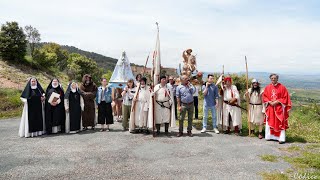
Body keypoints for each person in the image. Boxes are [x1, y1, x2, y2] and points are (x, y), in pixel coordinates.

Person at [263, 74, 291, 144]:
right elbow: (264, 96)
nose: (273, 79)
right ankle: (269, 136)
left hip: (279, 108)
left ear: (277, 79)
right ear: (270, 79)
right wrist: (269, 101)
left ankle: (281, 138)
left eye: (274, 78)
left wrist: (277, 101)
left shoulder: (282, 87)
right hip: (270, 108)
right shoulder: (267, 87)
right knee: (270, 121)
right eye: (272, 78)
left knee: (279, 122)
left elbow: (285, 97)